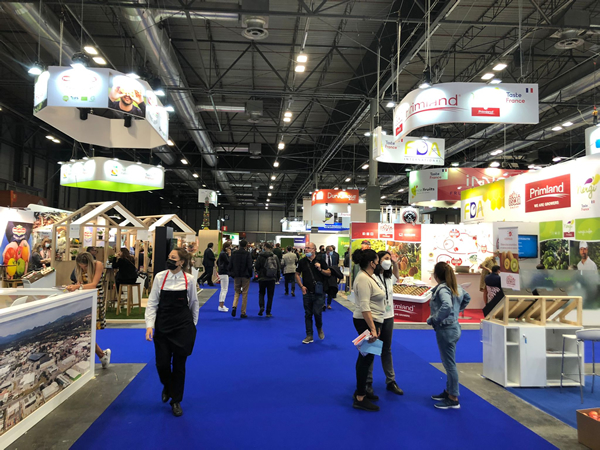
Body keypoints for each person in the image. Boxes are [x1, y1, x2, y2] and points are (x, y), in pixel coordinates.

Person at [145, 248, 198, 417]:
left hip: (183, 326)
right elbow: (152, 302)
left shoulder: (189, 279)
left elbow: (194, 303)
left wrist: (193, 325)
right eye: (169, 257)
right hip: (163, 326)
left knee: (179, 366)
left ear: (181, 262)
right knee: (162, 363)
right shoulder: (160, 277)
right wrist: (149, 325)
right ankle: (167, 386)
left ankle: (176, 400)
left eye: (173, 258)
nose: (169, 260)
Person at [427, 262, 471, 410]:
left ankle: (453, 397)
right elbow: (467, 298)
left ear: (436, 275)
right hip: (454, 327)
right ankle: (449, 391)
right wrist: (456, 312)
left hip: (446, 329)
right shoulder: (456, 287)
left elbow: (447, 305)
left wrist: (435, 319)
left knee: (449, 364)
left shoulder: (442, 289)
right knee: (449, 362)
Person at [365, 250, 404, 396]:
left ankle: (391, 381)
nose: (388, 261)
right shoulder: (372, 277)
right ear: (378, 261)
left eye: (389, 259)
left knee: (386, 349)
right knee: (371, 349)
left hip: (389, 317)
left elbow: (397, 277)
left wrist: (395, 263)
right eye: (385, 259)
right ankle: (367, 381)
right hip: (376, 318)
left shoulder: (388, 277)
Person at [351, 249, 386, 412]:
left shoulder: (368, 276)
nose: (379, 263)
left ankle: (360, 391)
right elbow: (365, 306)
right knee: (365, 359)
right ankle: (360, 397)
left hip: (372, 321)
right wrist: (372, 329)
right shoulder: (363, 279)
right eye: (378, 260)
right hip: (366, 322)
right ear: (372, 263)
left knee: (365, 357)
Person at [65, 252, 111, 370]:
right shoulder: (78, 269)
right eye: (81, 266)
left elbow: (94, 284)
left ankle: (102, 355)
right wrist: (74, 287)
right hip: (83, 299)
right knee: (86, 332)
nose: (83, 269)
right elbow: (79, 283)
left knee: (89, 331)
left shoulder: (98, 265)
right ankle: (102, 355)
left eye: (85, 266)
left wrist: (77, 287)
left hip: (96, 298)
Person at [296, 242, 330, 344]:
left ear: (314, 250)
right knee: (308, 314)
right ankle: (309, 335)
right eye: (305, 248)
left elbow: (328, 273)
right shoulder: (302, 261)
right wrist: (301, 286)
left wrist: (320, 269)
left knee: (317, 312)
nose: (306, 250)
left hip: (319, 292)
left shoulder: (320, 260)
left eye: (308, 248)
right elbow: (297, 274)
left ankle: (319, 327)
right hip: (307, 292)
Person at [254, 243, 281, 317]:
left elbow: (257, 266)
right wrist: (277, 278)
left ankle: (261, 306)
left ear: (265, 247)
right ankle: (268, 312)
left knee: (261, 293)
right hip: (271, 278)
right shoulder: (274, 256)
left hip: (262, 278)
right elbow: (278, 268)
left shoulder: (260, 256)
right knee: (270, 295)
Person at [229, 239, 253, 318]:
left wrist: (232, 274)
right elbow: (249, 265)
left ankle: (234, 306)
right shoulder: (247, 254)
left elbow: (230, 264)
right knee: (244, 293)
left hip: (236, 275)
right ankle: (243, 312)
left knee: (237, 292)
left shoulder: (234, 253)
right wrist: (250, 274)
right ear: (246, 245)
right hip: (245, 275)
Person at [323, 245, 340, 310]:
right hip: (324, 275)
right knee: (324, 289)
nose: (332, 252)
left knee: (331, 289)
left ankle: (328, 304)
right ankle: (323, 303)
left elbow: (336, 265)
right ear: (327, 251)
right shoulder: (322, 257)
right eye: (331, 250)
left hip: (332, 276)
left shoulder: (334, 257)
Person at [216, 242, 231, 312]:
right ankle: (221, 305)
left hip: (221, 272)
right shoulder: (224, 254)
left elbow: (217, 262)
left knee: (223, 289)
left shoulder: (221, 253)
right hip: (224, 272)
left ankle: (221, 305)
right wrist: (229, 255)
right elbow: (229, 262)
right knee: (224, 289)